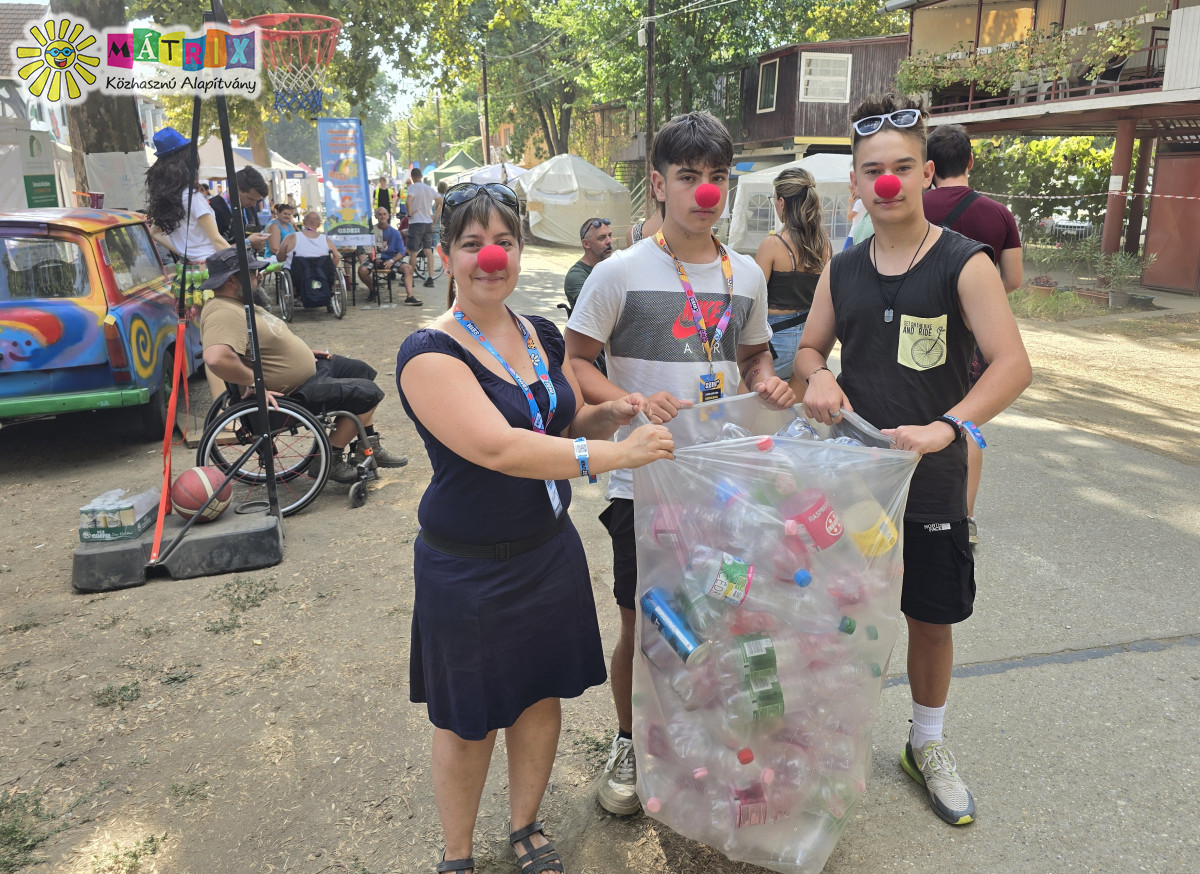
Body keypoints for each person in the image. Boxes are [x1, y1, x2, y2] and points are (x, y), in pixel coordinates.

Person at [394, 181, 675, 874]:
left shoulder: (540, 333)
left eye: (505, 242)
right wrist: (615, 454)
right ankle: (457, 855)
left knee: (538, 695)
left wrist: (608, 416)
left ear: (520, 250)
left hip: (547, 552)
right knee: (468, 719)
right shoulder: (429, 352)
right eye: (472, 244)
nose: (491, 257)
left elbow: (560, 423)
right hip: (467, 566)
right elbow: (500, 448)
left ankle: (525, 828)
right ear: (446, 254)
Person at [793, 93, 1031, 827]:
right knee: (838, 612)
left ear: (927, 173)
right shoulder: (844, 267)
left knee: (931, 617)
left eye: (902, 167)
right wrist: (819, 374)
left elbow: (1011, 365)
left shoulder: (967, 263)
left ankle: (925, 744)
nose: (887, 182)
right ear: (857, 185)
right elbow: (807, 350)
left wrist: (948, 427)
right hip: (856, 483)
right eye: (873, 170)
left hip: (928, 484)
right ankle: (828, 741)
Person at [564, 110, 795, 816]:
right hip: (645, 478)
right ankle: (631, 740)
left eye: (716, 177)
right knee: (645, 620)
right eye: (688, 177)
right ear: (659, 185)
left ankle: (709, 736)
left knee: (725, 613)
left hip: (727, 478)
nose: (704, 191)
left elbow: (751, 355)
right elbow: (577, 362)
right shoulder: (617, 272)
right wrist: (629, 401)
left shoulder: (747, 274)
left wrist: (766, 382)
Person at [197, 246, 409, 482]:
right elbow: (216, 358)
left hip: (306, 375)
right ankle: (329, 458)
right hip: (291, 393)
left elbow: (260, 343)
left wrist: (302, 353)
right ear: (232, 279)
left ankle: (368, 445)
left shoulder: (238, 303)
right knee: (368, 393)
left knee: (359, 370)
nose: (259, 275)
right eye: (252, 272)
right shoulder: (222, 312)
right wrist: (253, 381)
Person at [923, 123, 1024, 547]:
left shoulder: (912, 205)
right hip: (973, 337)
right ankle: (963, 519)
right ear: (969, 161)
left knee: (917, 414)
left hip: (918, 329)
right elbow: (1014, 278)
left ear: (927, 167)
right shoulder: (998, 214)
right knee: (964, 421)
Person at [753, 167, 831, 380]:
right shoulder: (825, 246)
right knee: (797, 406)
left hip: (777, 338)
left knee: (761, 400)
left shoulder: (772, 245)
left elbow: (755, 299)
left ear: (782, 203)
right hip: (811, 340)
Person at [144, 127, 228, 263]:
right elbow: (216, 240)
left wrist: (187, 254)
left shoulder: (170, 198)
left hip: (189, 268)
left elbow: (155, 232)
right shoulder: (192, 197)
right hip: (209, 267)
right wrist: (243, 267)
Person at [276, 211, 344, 313]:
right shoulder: (325, 240)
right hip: (323, 276)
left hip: (297, 276)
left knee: (286, 269)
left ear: (303, 222)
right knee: (331, 271)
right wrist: (329, 269)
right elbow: (336, 258)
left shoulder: (291, 237)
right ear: (319, 224)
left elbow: (280, 258)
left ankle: (296, 294)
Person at [358, 207, 419, 305]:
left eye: (384, 214)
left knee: (408, 268)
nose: (382, 216)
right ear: (376, 216)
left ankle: (410, 297)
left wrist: (391, 261)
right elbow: (369, 250)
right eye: (380, 214)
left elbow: (401, 252)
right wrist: (374, 260)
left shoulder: (395, 233)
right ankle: (373, 290)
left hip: (391, 258)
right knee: (362, 270)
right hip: (375, 258)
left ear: (388, 216)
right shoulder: (371, 231)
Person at [209, 165, 270, 249]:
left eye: (257, 201)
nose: (254, 204)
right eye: (251, 199)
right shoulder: (212, 208)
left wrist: (258, 244)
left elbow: (253, 234)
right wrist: (248, 243)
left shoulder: (248, 206)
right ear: (235, 190)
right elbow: (214, 251)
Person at [564, 217, 614, 309]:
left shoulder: (614, 268)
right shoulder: (576, 275)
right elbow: (596, 309)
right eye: (602, 238)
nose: (609, 241)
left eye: (610, 236)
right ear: (586, 244)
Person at [407, 167, 443, 289]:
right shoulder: (428, 188)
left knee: (413, 252)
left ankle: (409, 278)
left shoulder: (412, 188)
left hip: (416, 223)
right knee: (428, 251)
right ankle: (430, 278)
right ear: (421, 176)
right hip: (428, 222)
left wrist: (410, 214)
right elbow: (440, 200)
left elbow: (408, 201)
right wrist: (435, 217)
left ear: (412, 177)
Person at [265, 202, 297, 267]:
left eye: (289, 214)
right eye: (285, 213)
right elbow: (275, 249)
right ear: (278, 213)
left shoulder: (289, 225)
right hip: (275, 259)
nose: (287, 216)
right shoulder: (273, 226)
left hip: (289, 257)